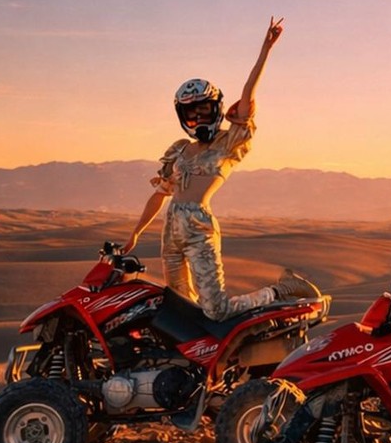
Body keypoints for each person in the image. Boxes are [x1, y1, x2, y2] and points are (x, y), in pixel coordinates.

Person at [124, 17, 319, 320]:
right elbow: (161, 194)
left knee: (216, 310)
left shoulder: (229, 144)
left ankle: (282, 290)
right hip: (171, 232)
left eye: (203, 109)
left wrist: (265, 49)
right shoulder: (178, 149)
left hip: (199, 230)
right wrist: (136, 233)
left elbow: (248, 95)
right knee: (178, 308)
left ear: (215, 108)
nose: (197, 118)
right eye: (190, 112)